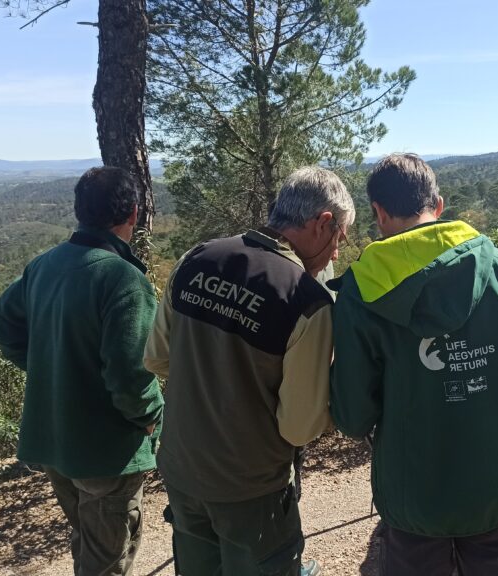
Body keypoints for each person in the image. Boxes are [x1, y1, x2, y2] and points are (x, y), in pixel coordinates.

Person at [329, 153, 498, 576]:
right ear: (439, 205)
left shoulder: (362, 290)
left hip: (415, 493)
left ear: (378, 212)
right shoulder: (497, 265)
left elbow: (353, 413)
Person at [144, 166, 353, 576]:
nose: (335, 254)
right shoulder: (305, 300)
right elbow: (299, 428)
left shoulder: (196, 258)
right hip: (250, 487)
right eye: (339, 238)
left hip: (182, 470)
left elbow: (157, 358)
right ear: (323, 222)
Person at [0, 166, 164, 576]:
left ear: (79, 211)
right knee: (107, 561)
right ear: (134, 214)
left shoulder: (44, 265)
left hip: (57, 443)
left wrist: (48, 366)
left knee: (88, 544)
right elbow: (130, 377)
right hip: (106, 452)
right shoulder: (123, 279)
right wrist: (154, 417)